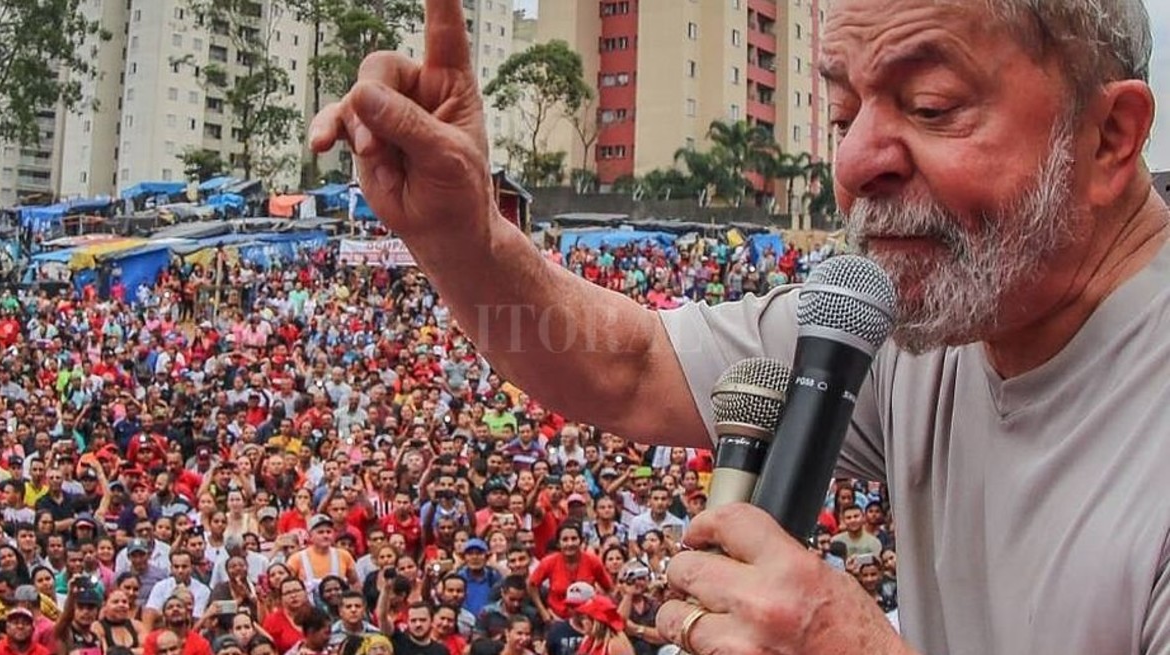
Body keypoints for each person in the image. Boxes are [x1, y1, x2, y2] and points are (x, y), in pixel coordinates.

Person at [308, 0, 1170, 653]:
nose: (854, 161)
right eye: (841, 114)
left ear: (1109, 137)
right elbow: (632, 365)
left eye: (933, 104)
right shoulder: (929, 323)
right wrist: (461, 233)